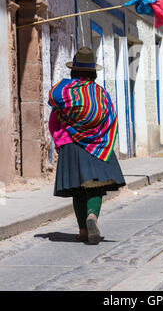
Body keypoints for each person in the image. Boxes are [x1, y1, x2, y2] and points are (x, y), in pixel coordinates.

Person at [48, 47, 126, 244]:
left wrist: (60, 141)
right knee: (95, 188)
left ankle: (83, 230)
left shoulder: (64, 92)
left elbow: (54, 119)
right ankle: (92, 217)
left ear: (74, 70)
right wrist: (104, 142)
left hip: (71, 145)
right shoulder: (100, 93)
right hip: (97, 146)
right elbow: (111, 118)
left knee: (78, 189)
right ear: (93, 72)